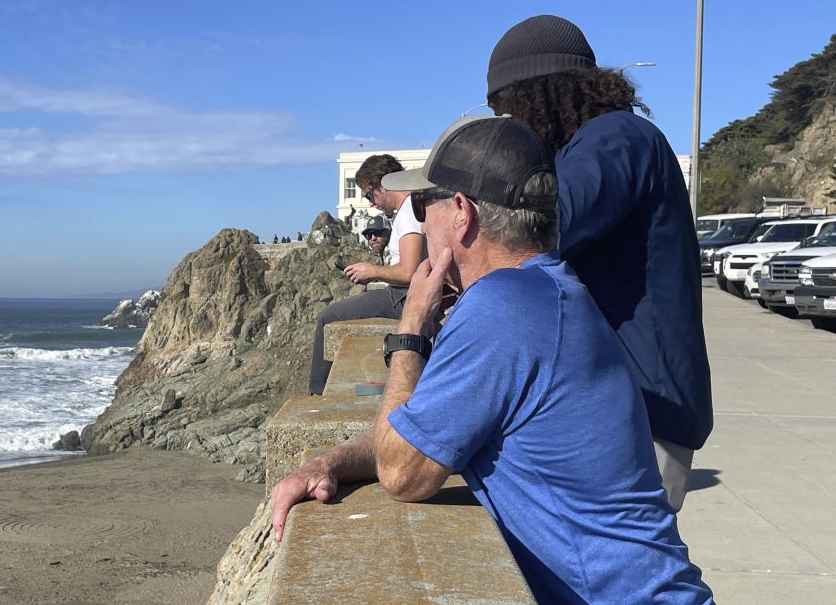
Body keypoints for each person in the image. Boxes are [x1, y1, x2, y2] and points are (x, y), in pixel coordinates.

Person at [271, 116, 714, 604]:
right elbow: (420, 429)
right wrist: (331, 460)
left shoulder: (503, 308)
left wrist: (412, 328)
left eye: (422, 204)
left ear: (461, 211)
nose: (419, 221)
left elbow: (403, 474)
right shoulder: (551, 290)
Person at [485, 14, 712, 511]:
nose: (510, 126)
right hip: (630, 401)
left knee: (625, 575)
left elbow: (549, 225)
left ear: (538, 93)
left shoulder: (615, 138)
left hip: (649, 407)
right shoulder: (595, 144)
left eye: (508, 108)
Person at [308, 154, 424, 395]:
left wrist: (372, 272)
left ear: (385, 185)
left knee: (327, 318)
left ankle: (317, 395)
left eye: (370, 195)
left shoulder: (409, 212)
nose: (372, 203)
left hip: (404, 296)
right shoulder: (412, 208)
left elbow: (411, 271)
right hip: (404, 293)